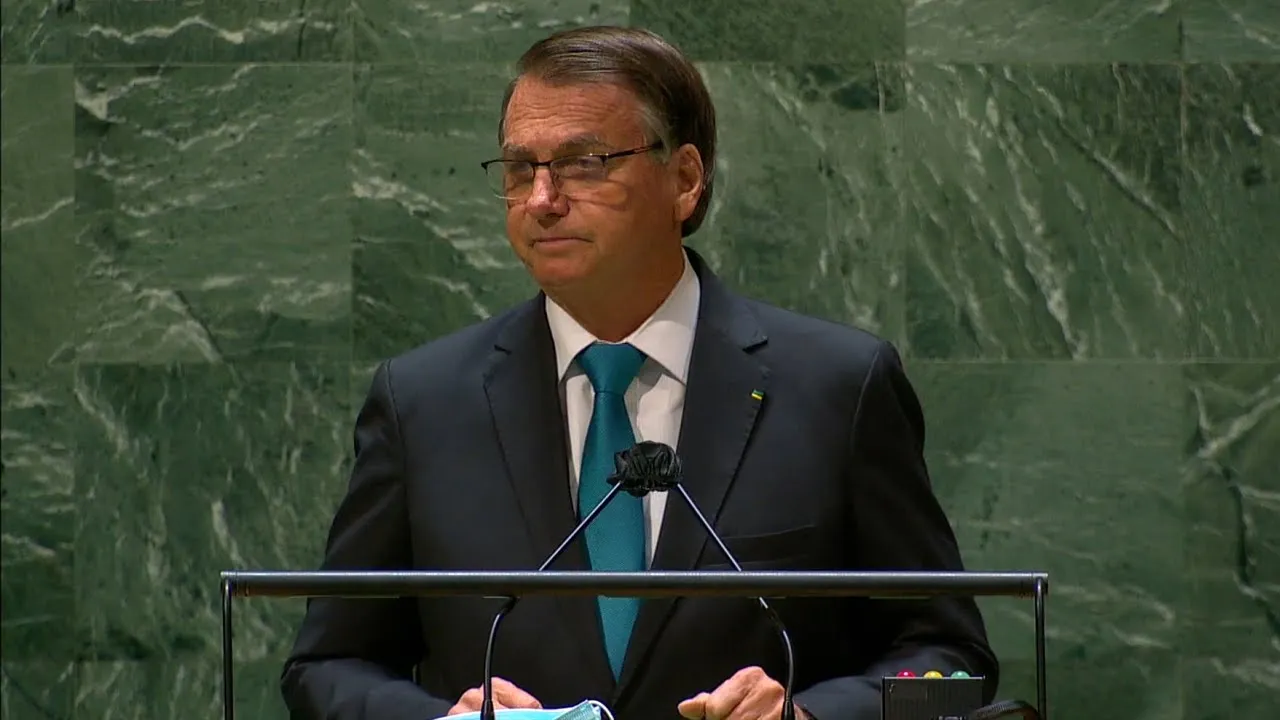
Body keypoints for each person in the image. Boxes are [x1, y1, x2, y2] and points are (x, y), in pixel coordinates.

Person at [281, 25, 997, 720]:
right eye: (520, 168)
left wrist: (811, 715)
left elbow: (955, 668)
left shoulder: (839, 387)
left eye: (584, 162)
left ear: (684, 179)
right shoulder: (423, 404)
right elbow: (326, 667)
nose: (542, 200)